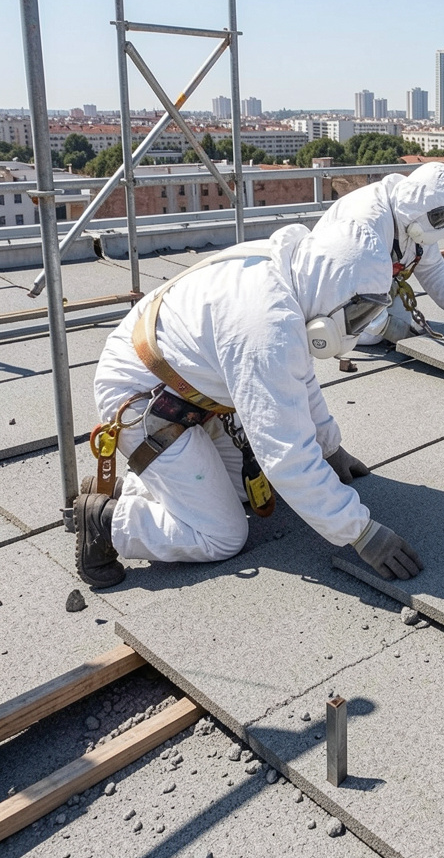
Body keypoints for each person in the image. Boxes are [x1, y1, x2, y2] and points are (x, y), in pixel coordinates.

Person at [74, 222, 423, 589]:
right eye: (358, 314)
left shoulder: (295, 278)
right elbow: (286, 456)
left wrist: (330, 448)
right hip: (143, 403)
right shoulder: (265, 325)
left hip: (186, 394)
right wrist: (361, 532)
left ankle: (134, 487)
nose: (356, 328)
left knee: (250, 490)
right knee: (223, 536)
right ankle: (108, 523)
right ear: (335, 291)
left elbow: (300, 378)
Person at [312, 162, 444, 344]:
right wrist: (388, 328)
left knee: (403, 319)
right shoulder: (368, 225)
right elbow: (349, 286)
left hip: (369, 283)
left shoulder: (417, 217)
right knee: (371, 335)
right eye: (441, 217)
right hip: (331, 288)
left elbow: (431, 266)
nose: (442, 223)